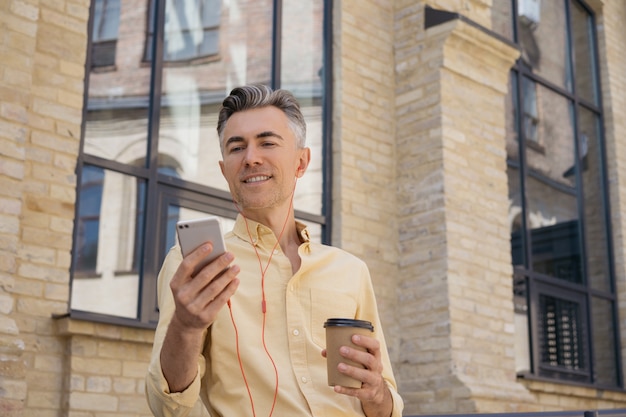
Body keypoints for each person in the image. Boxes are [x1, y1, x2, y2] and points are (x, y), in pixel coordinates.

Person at [145, 84, 403, 417]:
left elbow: (386, 407)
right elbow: (168, 407)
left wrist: (377, 393)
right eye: (236, 147)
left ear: (301, 161)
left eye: (267, 142)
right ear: (225, 171)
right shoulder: (193, 264)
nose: (251, 157)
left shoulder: (350, 271)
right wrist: (186, 326)